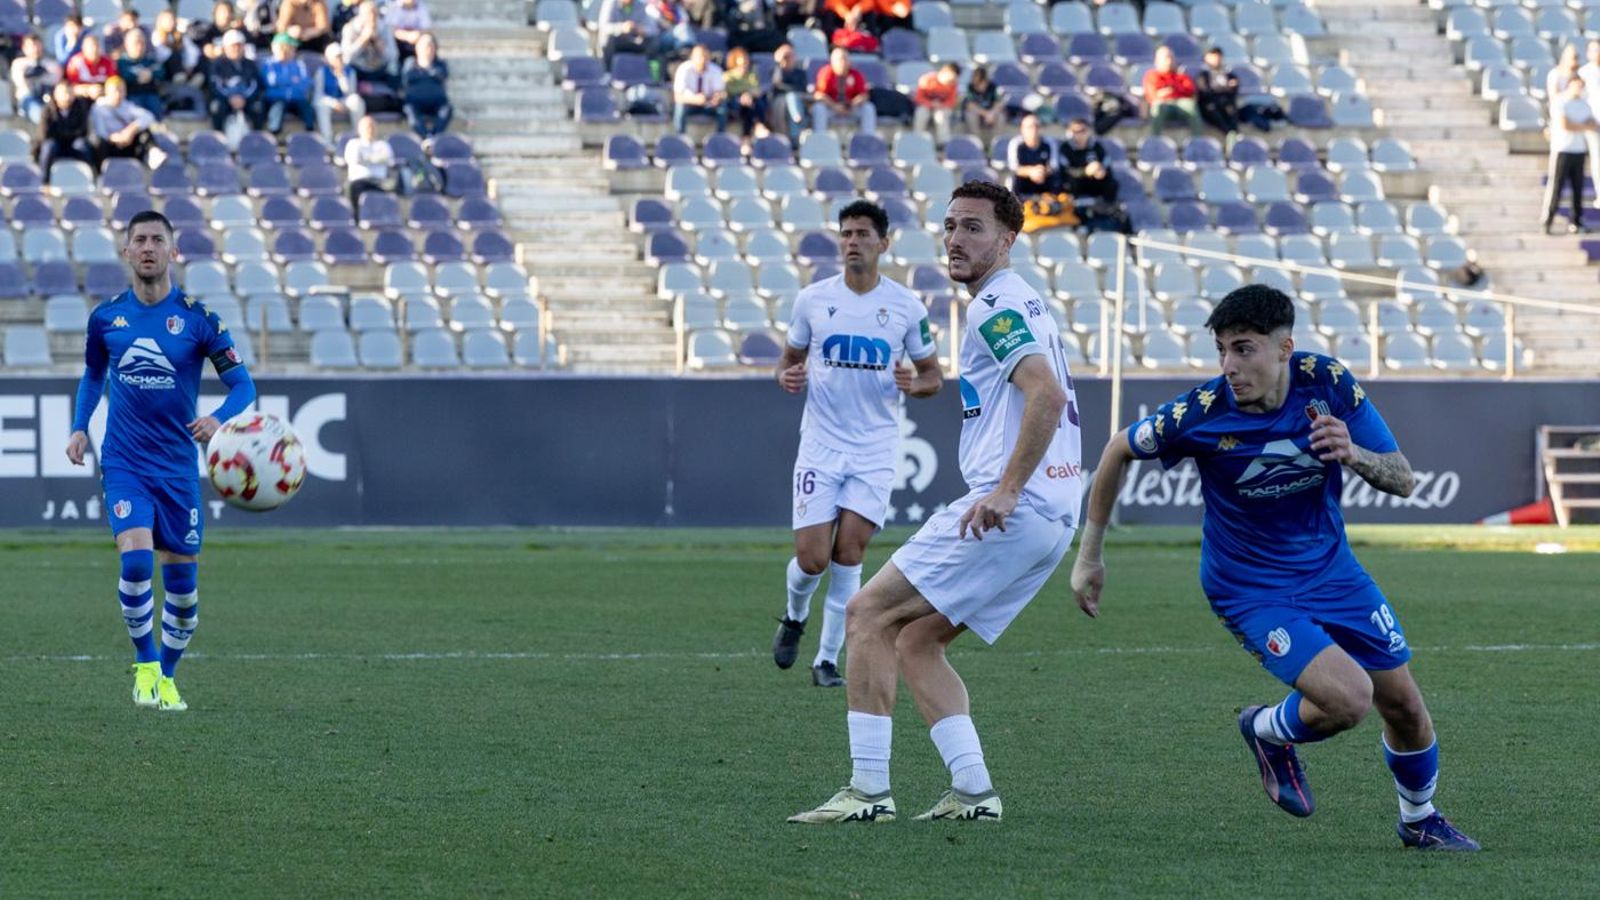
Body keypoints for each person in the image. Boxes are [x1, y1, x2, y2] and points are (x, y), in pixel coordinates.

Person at [1071, 284, 1481, 851]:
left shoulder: (1327, 383)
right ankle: (1264, 729)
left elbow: (1404, 478)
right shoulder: (1202, 413)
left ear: (1285, 348)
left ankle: (1420, 820)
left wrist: (1353, 453)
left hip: (1333, 571)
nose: (1229, 366)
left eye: (1244, 349)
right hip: (1250, 588)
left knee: (1406, 707)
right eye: (1221, 350)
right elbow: (1117, 449)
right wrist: (1090, 555)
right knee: (1348, 700)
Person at [789, 180, 1082, 824]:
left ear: (1008, 240)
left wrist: (1006, 490)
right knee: (917, 639)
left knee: (865, 614)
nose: (955, 239)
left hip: (1014, 507)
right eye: (949, 225)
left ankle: (868, 792)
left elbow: (1047, 395)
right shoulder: (1022, 299)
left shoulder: (992, 306)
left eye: (974, 228)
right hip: (1052, 515)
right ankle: (974, 792)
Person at [65, 210, 257, 714]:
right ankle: (146, 663)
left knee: (184, 594)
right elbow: (92, 376)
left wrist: (218, 418)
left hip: (177, 468)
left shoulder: (198, 318)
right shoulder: (106, 318)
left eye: (157, 240)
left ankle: (167, 675)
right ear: (126, 252)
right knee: (133, 561)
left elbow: (244, 385)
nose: (148, 247)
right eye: (139, 240)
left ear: (173, 252)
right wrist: (80, 425)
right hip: (124, 461)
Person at [772, 200, 943, 690]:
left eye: (862, 234)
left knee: (850, 553)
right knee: (812, 558)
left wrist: (917, 382)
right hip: (821, 445)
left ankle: (826, 661)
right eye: (845, 234)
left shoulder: (906, 307)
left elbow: (934, 378)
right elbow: (786, 363)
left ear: (882, 244)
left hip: (873, 449)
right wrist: (787, 376)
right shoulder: (812, 300)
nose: (851, 242)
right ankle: (793, 614)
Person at [1544, 75, 1594, 235]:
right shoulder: (1561, 102)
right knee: (1557, 187)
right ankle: (1549, 219)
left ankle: (1576, 221)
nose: (1579, 89)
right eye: (1576, 85)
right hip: (1563, 149)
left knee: (1577, 188)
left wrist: (1579, 126)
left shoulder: (1585, 104)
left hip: (1578, 150)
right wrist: (1583, 126)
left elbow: (1592, 124)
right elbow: (1565, 125)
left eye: (1581, 86)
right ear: (1570, 85)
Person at [91, 77, 159, 166]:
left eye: (121, 90)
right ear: (107, 92)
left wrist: (131, 130)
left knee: (144, 132)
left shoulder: (127, 105)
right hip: (110, 144)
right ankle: (102, 170)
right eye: (115, 91)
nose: (118, 94)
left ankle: (153, 154)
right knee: (99, 143)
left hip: (127, 142)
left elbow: (148, 116)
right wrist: (116, 138)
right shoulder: (99, 108)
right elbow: (101, 132)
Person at [36, 80, 96, 179]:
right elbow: (44, 134)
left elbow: (83, 131)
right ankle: (44, 181)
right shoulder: (47, 110)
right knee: (48, 147)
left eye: (70, 93)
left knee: (83, 146)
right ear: (55, 95)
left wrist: (62, 133)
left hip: (73, 144)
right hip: (56, 145)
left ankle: (90, 178)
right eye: (64, 93)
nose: (67, 97)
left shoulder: (80, 108)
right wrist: (66, 134)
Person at [812, 46, 876, 135]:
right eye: (840, 60)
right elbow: (819, 95)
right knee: (818, 108)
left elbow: (864, 95)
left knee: (868, 108)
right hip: (831, 108)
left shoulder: (855, 74)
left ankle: (868, 139)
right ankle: (821, 138)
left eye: (845, 59)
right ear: (832, 62)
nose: (843, 62)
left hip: (850, 107)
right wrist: (834, 106)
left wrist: (852, 104)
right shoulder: (826, 73)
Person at [259, 33, 315, 133]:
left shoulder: (299, 64)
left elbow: (305, 83)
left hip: (296, 97)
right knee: (277, 108)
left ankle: (310, 133)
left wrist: (286, 83)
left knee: (307, 110)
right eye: (289, 47)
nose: (292, 50)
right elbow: (271, 82)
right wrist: (292, 81)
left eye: (292, 48)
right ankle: (274, 134)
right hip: (276, 98)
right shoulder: (269, 64)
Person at [208, 30, 262, 130]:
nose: (236, 49)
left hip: (246, 99)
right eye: (233, 46)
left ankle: (256, 139)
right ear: (225, 48)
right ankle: (219, 137)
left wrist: (244, 98)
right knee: (216, 107)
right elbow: (215, 86)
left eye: (239, 45)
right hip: (224, 99)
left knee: (257, 107)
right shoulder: (217, 65)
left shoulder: (251, 65)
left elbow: (255, 84)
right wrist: (230, 98)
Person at [1143, 45, 1201, 137]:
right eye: (1165, 58)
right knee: (1158, 107)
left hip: (1180, 104)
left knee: (1190, 105)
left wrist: (1170, 90)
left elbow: (1190, 91)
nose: (1169, 61)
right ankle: (1155, 141)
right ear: (1157, 61)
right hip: (1164, 105)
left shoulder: (1181, 76)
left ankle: (1199, 141)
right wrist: (1176, 91)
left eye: (1171, 57)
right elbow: (1153, 96)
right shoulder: (1152, 75)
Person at [401, 32, 451, 138]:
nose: (427, 49)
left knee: (447, 110)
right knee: (409, 110)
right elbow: (407, 78)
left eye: (430, 46)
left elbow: (442, 76)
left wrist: (424, 71)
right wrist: (429, 73)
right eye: (424, 46)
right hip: (415, 102)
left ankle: (434, 135)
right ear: (417, 48)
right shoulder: (410, 63)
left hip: (437, 102)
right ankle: (425, 136)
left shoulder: (441, 64)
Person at [671, 43, 727, 134]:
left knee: (722, 108)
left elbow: (720, 92)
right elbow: (677, 97)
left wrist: (716, 99)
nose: (703, 59)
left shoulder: (716, 70)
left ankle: (720, 138)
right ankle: (680, 137)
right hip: (689, 103)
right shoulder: (683, 69)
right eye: (700, 56)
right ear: (692, 57)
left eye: (705, 56)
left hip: (708, 104)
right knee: (680, 108)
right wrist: (695, 99)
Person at [314, 42, 365, 139]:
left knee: (356, 100)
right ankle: (327, 138)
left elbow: (350, 93)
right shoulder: (321, 72)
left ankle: (358, 134)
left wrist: (341, 76)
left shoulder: (350, 71)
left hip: (343, 100)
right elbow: (318, 95)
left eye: (340, 56)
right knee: (321, 106)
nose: (339, 60)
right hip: (327, 102)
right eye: (336, 57)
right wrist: (333, 103)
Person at [341, 0, 398, 87]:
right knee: (347, 70)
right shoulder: (350, 28)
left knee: (394, 69)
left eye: (374, 14)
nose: (371, 18)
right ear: (360, 15)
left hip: (379, 68)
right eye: (368, 14)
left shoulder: (385, 28)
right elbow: (347, 57)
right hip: (359, 68)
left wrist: (379, 44)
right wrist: (363, 39)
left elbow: (394, 55)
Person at [344, 113, 394, 208]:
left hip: (380, 182)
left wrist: (366, 158)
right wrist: (377, 158)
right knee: (352, 188)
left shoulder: (383, 145)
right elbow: (355, 159)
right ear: (359, 129)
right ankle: (357, 219)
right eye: (367, 126)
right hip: (359, 182)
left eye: (373, 126)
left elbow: (388, 159)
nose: (370, 129)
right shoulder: (353, 144)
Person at [10, 33, 62, 124]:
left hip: (47, 98)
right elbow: (20, 82)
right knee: (41, 114)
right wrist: (37, 73)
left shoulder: (50, 63)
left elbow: (55, 80)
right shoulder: (19, 63)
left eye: (38, 45)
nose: (35, 49)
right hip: (28, 99)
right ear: (24, 48)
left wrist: (39, 73)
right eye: (32, 46)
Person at [117, 29, 167, 120]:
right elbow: (125, 75)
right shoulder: (122, 61)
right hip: (132, 96)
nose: (139, 47)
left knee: (156, 109)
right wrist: (138, 75)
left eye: (142, 43)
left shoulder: (150, 60)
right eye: (136, 43)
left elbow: (161, 72)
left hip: (151, 94)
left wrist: (151, 74)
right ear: (127, 45)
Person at [1006, 113, 1058, 197]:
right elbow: (1014, 167)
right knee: (1013, 179)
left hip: (1043, 178)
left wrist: (1041, 172)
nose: (1034, 130)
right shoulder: (1015, 143)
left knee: (1056, 177)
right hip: (1023, 180)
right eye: (1030, 127)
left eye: (1037, 126)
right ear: (1022, 129)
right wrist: (1030, 172)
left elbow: (1053, 166)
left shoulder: (1049, 143)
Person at [722, 46, 768, 140]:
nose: (744, 64)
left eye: (746, 61)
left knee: (756, 103)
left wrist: (748, 94)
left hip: (750, 101)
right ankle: (758, 125)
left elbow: (757, 90)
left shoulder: (751, 75)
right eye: (742, 61)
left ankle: (747, 135)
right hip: (734, 102)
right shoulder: (728, 76)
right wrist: (743, 93)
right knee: (749, 104)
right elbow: (729, 90)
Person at [769, 42, 809, 144]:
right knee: (790, 97)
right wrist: (779, 64)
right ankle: (797, 119)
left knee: (792, 97)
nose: (789, 59)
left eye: (791, 56)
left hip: (799, 99)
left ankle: (796, 122)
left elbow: (802, 88)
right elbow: (776, 86)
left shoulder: (800, 72)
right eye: (786, 56)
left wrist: (789, 91)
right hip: (780, 101)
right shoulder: (777, 71)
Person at [598, 0, 657, 70]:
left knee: (653, 41)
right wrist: (622, 27)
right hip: (616, 41)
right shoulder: (610, 3)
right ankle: (607, 72)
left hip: (633, 40)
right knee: (607, 39)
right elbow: (604, 27)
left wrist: (641, 30)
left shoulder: (640, 5)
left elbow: (652, 29)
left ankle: (646, 73)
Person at [1195, 46, 1240, 138]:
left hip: (1226, 103)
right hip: (1210, 105)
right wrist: (1226, 88)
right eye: (1214, 57)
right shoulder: (1203, 76)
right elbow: (1205, 92)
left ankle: (1234, 134)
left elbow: (1234, 90)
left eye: (1218, 57)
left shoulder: (1229, 75)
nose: (1217, 60)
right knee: (1213, 110)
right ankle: (1229, 134)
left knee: (1231, 110)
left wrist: (1230, 87)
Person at [912, 62, 959, 145]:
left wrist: (941, 105)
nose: (951, 82)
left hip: (942, 107)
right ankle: (917, 141)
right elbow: (918, 98)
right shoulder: (927, 79)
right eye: (950, 78)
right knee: (921, 114)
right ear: (944, 72)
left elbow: (952, 102)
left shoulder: (953, 84)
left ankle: (944, 145)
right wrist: (931, 104)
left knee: (940, 116)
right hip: (926, 106)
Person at [961, 64, 1001, 148]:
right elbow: (970, 105)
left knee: (1000, 116)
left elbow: (998, 103)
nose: (979, 87)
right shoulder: (970, 87)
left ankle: (995, 145)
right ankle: (977, 145)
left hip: (990, 113)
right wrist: (986, 114)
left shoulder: (993, 87)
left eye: (981, 83)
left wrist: (992, 113)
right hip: (978, 113)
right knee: (970, 115)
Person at [66, 35, 116, 100]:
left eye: (97, 46)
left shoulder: (108, 62)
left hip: (104, 96)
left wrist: (102, 90)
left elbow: (114, 83)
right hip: (82, 99)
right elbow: (71, 88)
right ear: (84, 48)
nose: (94, 49)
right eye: (91, 46)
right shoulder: (76, 63)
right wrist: (88, 90)